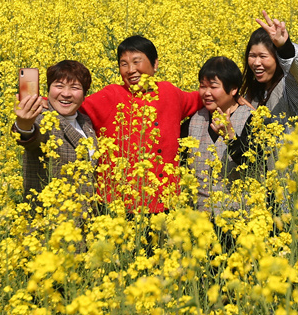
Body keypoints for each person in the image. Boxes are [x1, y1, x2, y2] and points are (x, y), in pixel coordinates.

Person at [78, 35, 203, 214]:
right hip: (119, 207)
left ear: (155, 64)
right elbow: (70, 105)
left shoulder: (169, 93)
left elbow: (206, 97)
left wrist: (239, 97)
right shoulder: (111, 95)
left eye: (137, 62)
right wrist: (36, 102)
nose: (130, 70)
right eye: (124, 64)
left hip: (164, 203)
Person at [184, 56, 263, 219]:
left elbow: (256, 167)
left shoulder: (251, 119)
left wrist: (231, 138)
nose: (206, 93)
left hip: (240, 221)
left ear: (233, 89)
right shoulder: (194, 120)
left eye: (213, 87)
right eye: (202, 86)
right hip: (199, 222)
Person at [12, 60, 97, 211]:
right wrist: (24, 124)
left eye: (75, 87)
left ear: (85, 95)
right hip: (49, 223)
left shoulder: (85, 122)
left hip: (85, 223)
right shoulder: (43, 118)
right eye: (59, 86)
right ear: (49, 90)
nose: (66, 93)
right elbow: (32, 137)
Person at [239, 11, 298, 128]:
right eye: (252, 56)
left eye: (263, 56)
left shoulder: (289, 86)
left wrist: (285, 48)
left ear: (277, 58)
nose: (257, 63)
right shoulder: (252, 92)